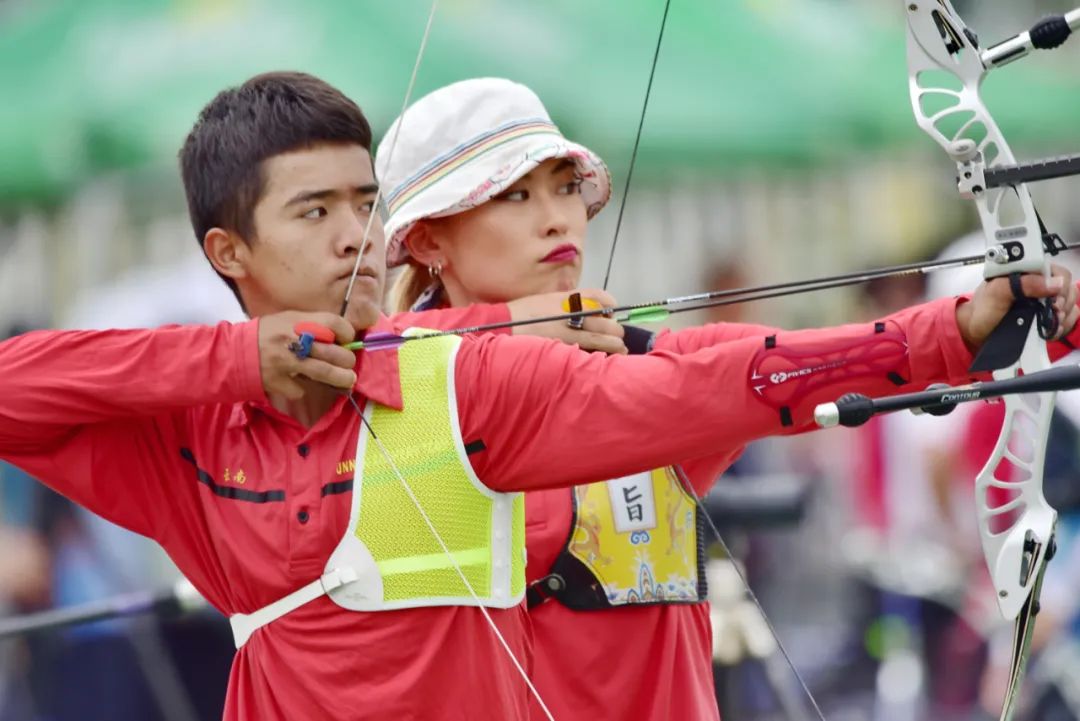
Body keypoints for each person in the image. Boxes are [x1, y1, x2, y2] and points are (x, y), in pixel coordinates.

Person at [0, 71, 1076, 721]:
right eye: (514, 195)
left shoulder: (501, 380)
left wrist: (954, 332)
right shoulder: (221, 437)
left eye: (359, 206)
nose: (347, 237)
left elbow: (732, 371)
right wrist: (237, 360)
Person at [374, 77, 1080, 721]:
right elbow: (371, 352)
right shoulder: (402, 397)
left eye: (563, 187)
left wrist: (979, 326)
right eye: (516, 196)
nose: (558, 219)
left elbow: (772, 367)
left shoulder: (630, 354)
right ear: (429, 238)